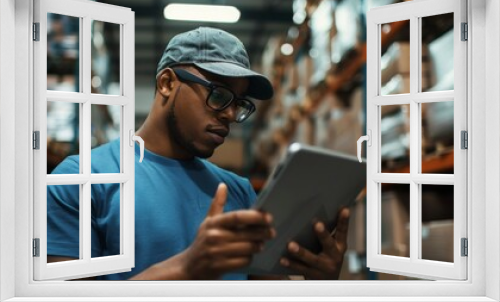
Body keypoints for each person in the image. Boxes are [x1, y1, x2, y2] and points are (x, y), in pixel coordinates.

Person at [47, 26, 350, 280]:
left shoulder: (239, 192)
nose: (230, 115)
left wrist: (317, 283)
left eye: (239, 103)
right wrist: (186, 267)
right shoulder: (82, 179)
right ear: (167, 83)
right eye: (218, 94)